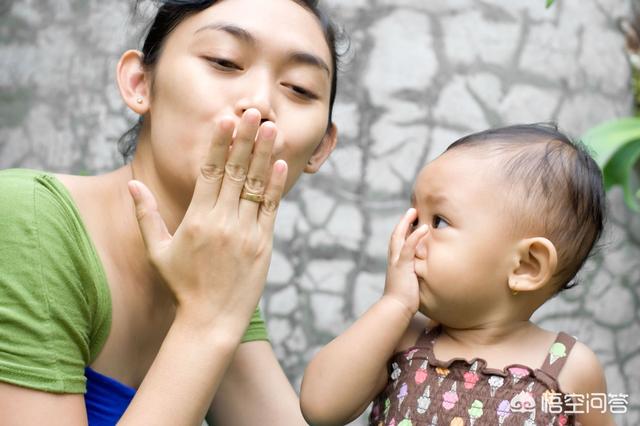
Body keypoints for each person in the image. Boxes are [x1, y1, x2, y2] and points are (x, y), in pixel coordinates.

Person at [0, 0, 340, 424]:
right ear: (140, 83)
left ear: (321, 148)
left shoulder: (215, 270)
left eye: (300, 89)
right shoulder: (26, 221)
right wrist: (206, 321)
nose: (258, 104)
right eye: (224, 61)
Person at [300, 124, 616, 426]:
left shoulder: (569, 368)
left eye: (438, 222)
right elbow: (321, 408)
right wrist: (394, 303)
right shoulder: (405, 337)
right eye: (414, 219)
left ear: (526, 266)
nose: (411, 238)